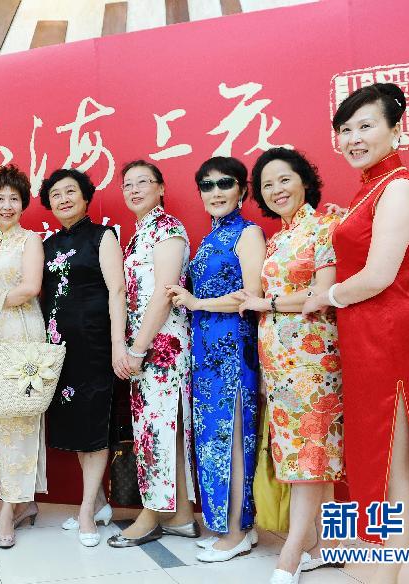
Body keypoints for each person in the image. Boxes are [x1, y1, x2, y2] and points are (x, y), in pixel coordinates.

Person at [304, 82, 409, 583]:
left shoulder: (398, 186)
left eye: (366, 126)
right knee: (388, 458)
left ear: (396, 131)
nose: (353, 138)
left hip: (387, 335)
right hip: (366, 334)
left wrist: (326, 297)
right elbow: (406, 269)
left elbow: (381, 276)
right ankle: (390, 570)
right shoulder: (369, 190)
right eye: (345, 129)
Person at [236, 148, 343, 584]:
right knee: (302, 454)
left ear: (304, 180)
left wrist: (267, 304)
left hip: (313, 360)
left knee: (310, 454)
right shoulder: (278, 238)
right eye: (267, 184)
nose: (276, 190)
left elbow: (323, 293)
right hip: (278, 362)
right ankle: (320, 546)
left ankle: (291, 554)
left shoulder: (326, 225)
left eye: (284, 179)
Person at [168, 157, 265, 561]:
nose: (216, 192)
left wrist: (195, 302)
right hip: (206, 352)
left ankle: (237, 532)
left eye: (225, 183)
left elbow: (252, 297)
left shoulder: (248, 233)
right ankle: (239, 526)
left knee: (233, 439)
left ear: (242, 189)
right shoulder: (212, 237)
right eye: (207, 186)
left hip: (233, 352)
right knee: (214, 442)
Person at [107, 160, 198, 549]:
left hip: (162, 347)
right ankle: (180, 516)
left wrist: (137, 347)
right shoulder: (138, 234)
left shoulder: (167, 229)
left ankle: (151, 515)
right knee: (161, 431)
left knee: (157, 432)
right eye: (127, 184)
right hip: (146, 347)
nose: (134, 189)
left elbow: (165, 292)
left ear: (161, 188)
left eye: (143, 182)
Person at [39, 168, 131, 547]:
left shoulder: (102, 236)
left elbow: (117, 291)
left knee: (94, 427)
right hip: (61, 350)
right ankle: (99, 503)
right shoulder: (47, 245)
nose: (63, 199)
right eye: (56, 194)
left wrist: (118, 344)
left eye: (70, 192)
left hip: (95, 347)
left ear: (85, 196)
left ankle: (84, 512)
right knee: (80, 428)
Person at [0, 165, 47, 548]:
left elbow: (31, 288)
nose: (6, 205)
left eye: (13, 199)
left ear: (23, 204)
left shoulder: (30, 240)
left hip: (22, 332)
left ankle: (8, 506)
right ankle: (24, 501)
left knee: (21, 418)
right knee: (0, 420)